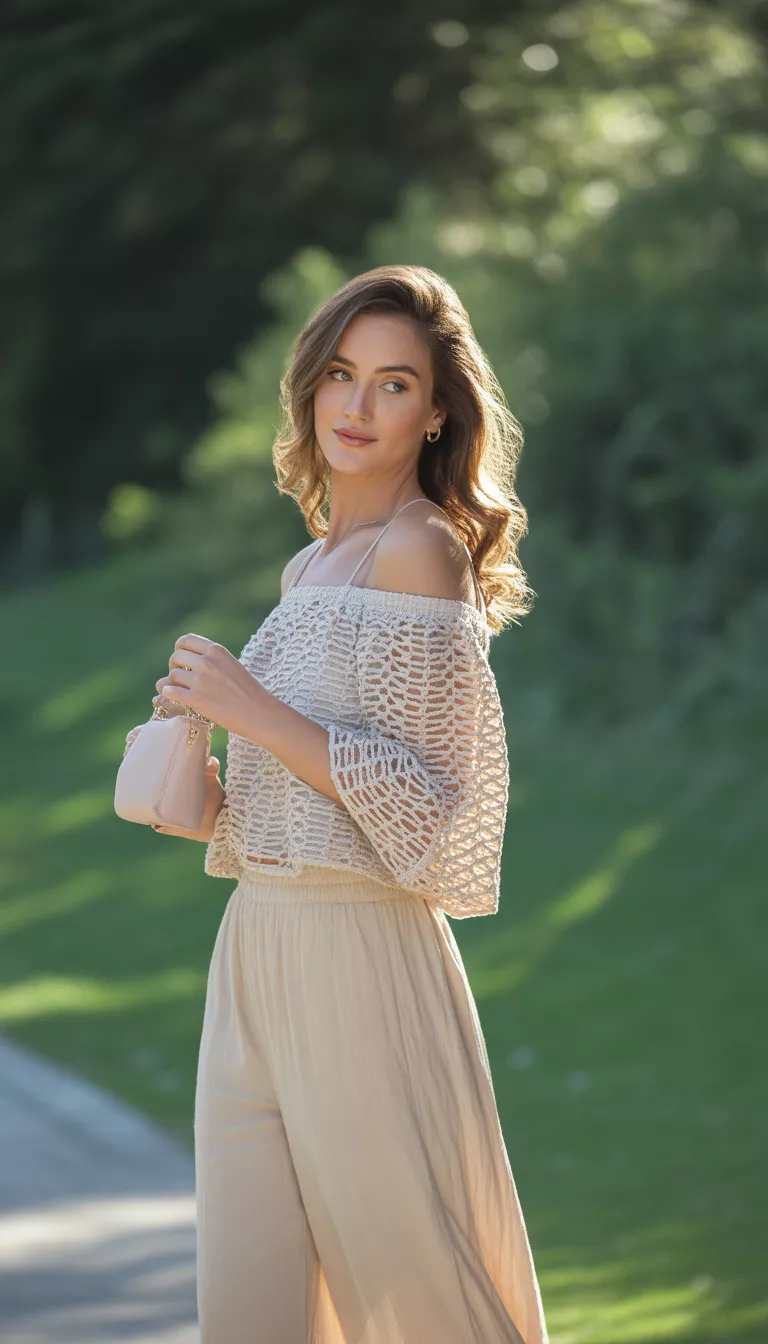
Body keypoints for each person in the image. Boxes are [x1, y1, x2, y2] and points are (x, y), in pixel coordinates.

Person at [128, 265, 550, 1343]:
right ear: (310, 390)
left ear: (438, 409)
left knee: (419, 1290)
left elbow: (433, 811)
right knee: (253, 1301)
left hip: (361, 959)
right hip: (256, 948)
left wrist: (254, 707)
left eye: (395, 384)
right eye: (342, 377)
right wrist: (209, 783)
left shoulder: (422, 554)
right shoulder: (310, 566)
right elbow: (323, 789)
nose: (359, 408)